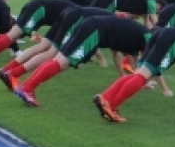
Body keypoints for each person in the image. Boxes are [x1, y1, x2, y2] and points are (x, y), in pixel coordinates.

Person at [14, 15, 159, 107]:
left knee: (59, 60)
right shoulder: (148, 37)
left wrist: (137, 79)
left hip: (90, 25)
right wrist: (142, 79)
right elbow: (149, 62)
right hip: (94, 30)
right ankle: (27, 88)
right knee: (62, 62)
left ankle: (26, 87)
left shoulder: (141, 36)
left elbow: (134, 60)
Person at [0, 5, 115, 90]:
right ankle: (14, 74)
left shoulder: (112, 18)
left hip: (68, 13)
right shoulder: (116, 24)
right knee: (53, 55)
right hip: (75, 18)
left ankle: (7, 70)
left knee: (44, 47)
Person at [0, 0, 76, 71]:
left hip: (41, 10)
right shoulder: (80, 18)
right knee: (13, 34)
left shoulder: (80, 15)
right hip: (40, 9)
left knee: (39, 45)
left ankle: (3, 67)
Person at [91, 0, 158, 28]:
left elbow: (146, 22)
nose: (156, 11)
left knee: (91, 11)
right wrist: (162, 32)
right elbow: (155, 21)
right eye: (158, 10)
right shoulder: (151, 1)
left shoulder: (144, 7)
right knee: (104, 21)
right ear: (159, 5)